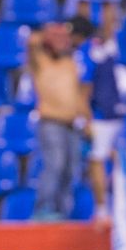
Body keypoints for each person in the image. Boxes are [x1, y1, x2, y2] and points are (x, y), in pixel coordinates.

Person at [28, 22, 90, 220]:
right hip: (51, 122)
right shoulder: (40, 61)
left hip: (72, 124)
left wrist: (87, 121)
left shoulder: (70, 63)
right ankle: (43, 209)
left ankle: (62, 213)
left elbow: (79, 96)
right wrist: (52, 33)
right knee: (55, 164)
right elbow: (31, 41)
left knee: (70, 169)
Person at [72, 0, 124, 226]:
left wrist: (108, 1)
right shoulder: (86, 52)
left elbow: (110, 25)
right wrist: (88, 120)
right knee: (96, 160)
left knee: (119, 159)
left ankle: (123, 206)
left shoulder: (110, 45)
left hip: (117, 113)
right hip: (100, 116)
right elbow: (83, 91)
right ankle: (102, 209)